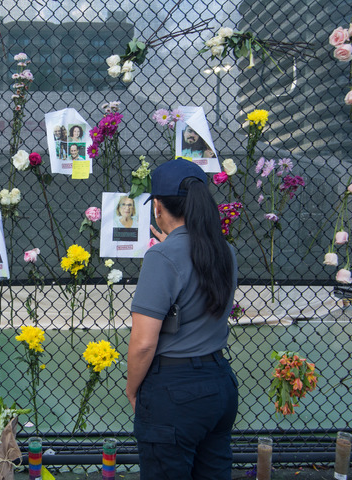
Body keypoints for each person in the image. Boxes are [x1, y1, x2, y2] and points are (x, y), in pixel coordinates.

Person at [126, 158, 238, 479]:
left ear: (158, 206)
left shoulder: (162, 256)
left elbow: (144, 343)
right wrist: (172, 247)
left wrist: (132, 390)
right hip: (220, 385)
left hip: (175, 393)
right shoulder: (224, 251)